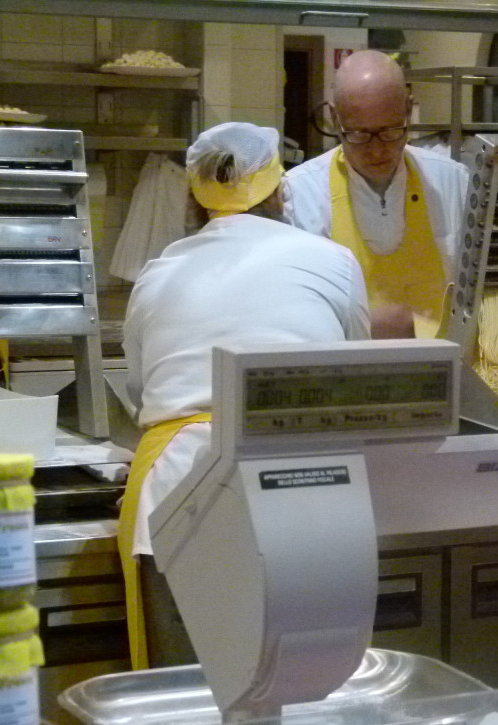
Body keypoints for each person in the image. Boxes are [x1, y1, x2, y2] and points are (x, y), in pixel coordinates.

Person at [120, 122, 371, 670]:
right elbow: (359, 372)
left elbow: (142, 393)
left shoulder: (157, 275)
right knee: (302, 690)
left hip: (174, 503)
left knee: (185, 707)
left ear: (194, 198)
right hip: (306, 500)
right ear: (281, 193)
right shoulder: (333, 262)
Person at [283, 49, 469, 339]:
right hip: (342, 372)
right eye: (358, 134)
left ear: (408, 109)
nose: (377, 150)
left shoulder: (452, 182)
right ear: (334, 118)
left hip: (442, 367)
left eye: (391, 131)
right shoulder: (298, 195)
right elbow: (294, 316)